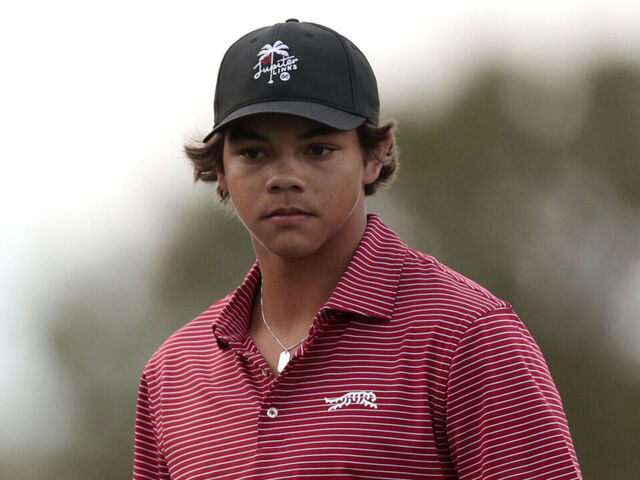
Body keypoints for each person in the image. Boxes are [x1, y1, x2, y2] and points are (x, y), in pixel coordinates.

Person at [132, 19, 583, 480]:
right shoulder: (173, 373)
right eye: (253, 153)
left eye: (318, 150)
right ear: (222, 170)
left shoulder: (464, 336)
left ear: (373, 156)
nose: (284, 177)